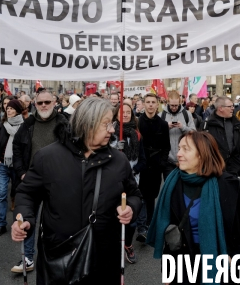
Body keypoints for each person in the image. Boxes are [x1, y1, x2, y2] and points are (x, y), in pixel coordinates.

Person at [11, 97, 142, 285]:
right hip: (60, 255)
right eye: (106, 124)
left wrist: (130, 207)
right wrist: (24, 219)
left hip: (104, 257)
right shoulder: (47, 157)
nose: (112, 130)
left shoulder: (119, 161)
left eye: (112, 124)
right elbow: (26, 194)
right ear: (88, 124)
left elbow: (134, 195)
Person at [146, 131, 240, 283]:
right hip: (184, 264)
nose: (178, 153)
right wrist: (168, 272)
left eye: (186, 149)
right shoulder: (172, 185)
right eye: (179, 148)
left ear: (202, 154)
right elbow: (171, 234)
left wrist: (238, 256)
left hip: (224, 261)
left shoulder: (227, 184)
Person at [11, 89, 70, 271]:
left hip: (58, 181)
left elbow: (72, 148)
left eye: (47, 102)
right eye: (40, 103)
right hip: (33, 180)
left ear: (54, 102)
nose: (43, 105)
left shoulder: (64, 122)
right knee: (29, 218)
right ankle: (27, 258)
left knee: (57, 221)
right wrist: (21, 172)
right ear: (34, 104)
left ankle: (59, 257)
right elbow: (17, 148)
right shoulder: (27, 124)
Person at [113, 102, 147, 264]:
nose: (125, 114)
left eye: (127, 112)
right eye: (122, 112)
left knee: (131, 219)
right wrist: (114, 147)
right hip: (112, 182)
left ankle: (127, 244)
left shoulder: (137, 134)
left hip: (132, 181)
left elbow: (143, 159)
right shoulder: (110, 132)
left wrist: (133, 171)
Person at [137, 93, 170, 243]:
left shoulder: (163, 124)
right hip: (141, 165)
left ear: (157, 105)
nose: (150, 105)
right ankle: (142, 226)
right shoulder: (138, 122)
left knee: (151, 196)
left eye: (153, 102)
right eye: (148, 102)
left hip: (156, 166)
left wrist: (162, 163)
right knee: (141, 195)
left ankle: (148, 223)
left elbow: (166, 147)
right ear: (143, 104)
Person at [0, 99, 25, 237]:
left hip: (17, 166)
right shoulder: (2, 125)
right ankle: (1, 225)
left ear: (17, 110)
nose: (9, 110)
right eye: (8, 108)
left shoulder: (25, 126)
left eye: (12, 108)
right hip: (2, 164)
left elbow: (26, 147)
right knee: (1, 194)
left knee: (18, 195)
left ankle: (18, 225)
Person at [202, 96, 240, 177]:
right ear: (220, 108)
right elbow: (201, 146)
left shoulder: (237, 124)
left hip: (233, 169)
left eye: (233, 106)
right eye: (230, 106)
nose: (233, 109)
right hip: (214, 169)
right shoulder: (207, 124)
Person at [159, 90, 196, 179]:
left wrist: (183, 127)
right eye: (172, 105)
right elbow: (156, 135)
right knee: (170, 188)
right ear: (167, 102)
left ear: (180, 102)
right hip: (168, 160)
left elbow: (194, 133)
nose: (174, 108)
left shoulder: (187, 114)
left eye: (176, 105)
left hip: (185, 158)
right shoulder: (161, 115)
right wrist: (166, 127)